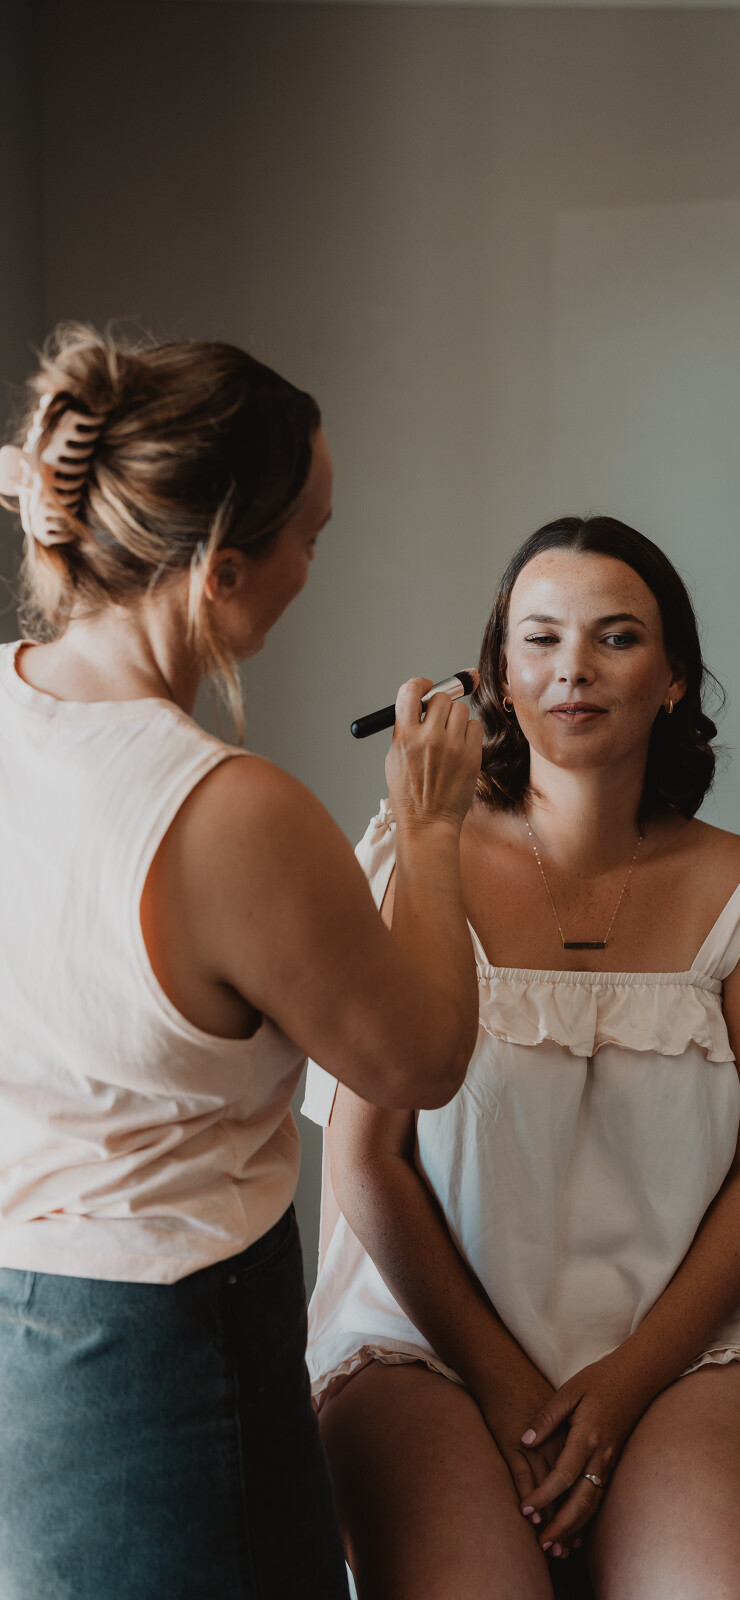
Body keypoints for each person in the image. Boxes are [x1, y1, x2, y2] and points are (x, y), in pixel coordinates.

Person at [0, 326, 483, 1600]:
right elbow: (423, 1057)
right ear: (220, 572)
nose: (314, 566)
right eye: (310, 538)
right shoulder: (227, 815)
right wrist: (430, 830)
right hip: (162, 1363)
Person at [303, 515, 740, 1600]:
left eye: (616, 637)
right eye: (540, 638)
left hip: (691, 1345)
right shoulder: (416, 858)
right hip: (427, 1338)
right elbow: (365, 1160)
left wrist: (624, 1382)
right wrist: (506, 1385)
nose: (574, 668)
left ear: (674, 679)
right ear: (497, 676)